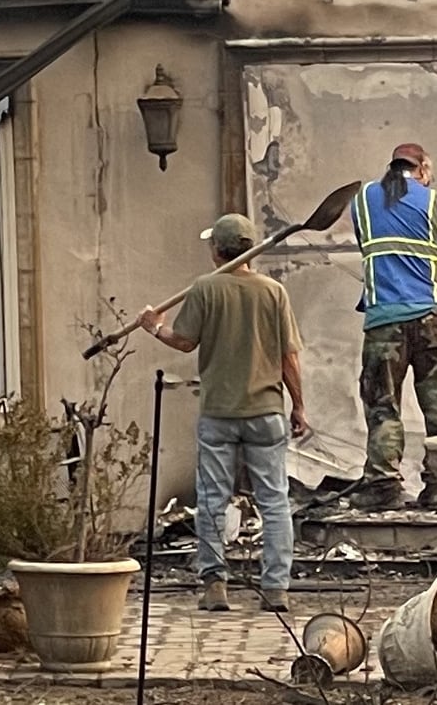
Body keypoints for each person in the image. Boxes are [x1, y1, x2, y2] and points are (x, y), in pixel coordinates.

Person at [128, 211, 308, 611]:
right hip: (265, 412)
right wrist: (298, 405)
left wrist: (155, 327)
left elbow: (184, 342)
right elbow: (288, 358)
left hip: (220, 413)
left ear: (217, 251)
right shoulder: (273, 292)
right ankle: (276, 588)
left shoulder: (205, 289)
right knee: (274, 501)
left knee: (212, 499)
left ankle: (214, 586)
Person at [349, 142, 437, 510]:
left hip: (384, 323)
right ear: (423, 169)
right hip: (433, 321)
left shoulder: (363, 200)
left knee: (383, 405)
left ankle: (383, 486)